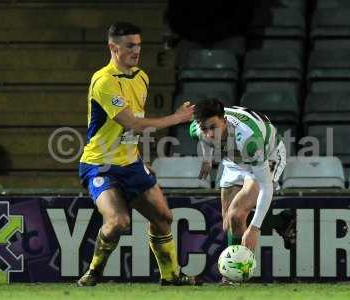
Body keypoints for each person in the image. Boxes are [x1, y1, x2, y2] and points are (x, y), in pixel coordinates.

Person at [78, 22, 199, 286]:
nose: (137, 51)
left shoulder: (141, 77)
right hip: (101, 165)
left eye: (139, 45)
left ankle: (171, 276)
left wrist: (141, 159)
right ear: (113, 47)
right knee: (118, 221)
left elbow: (135, 128)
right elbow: (131, 123)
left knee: (164, 218)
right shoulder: (104, 81)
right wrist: (177, 118)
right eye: (130, 46)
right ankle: (94, 271)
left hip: (131, 164)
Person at [189, 99, 294, 256]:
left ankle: (236, 273)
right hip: (234, 159)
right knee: (229, 224)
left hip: (266, 156)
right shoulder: (197, 128)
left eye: (213, 127)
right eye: (205, 129)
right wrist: (207, 159)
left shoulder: (249, 140)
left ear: (224, 121)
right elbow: (204, 138)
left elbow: (266, 187)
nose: (210, 134)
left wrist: (255, 228)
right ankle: (282, 221)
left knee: (237, 215)